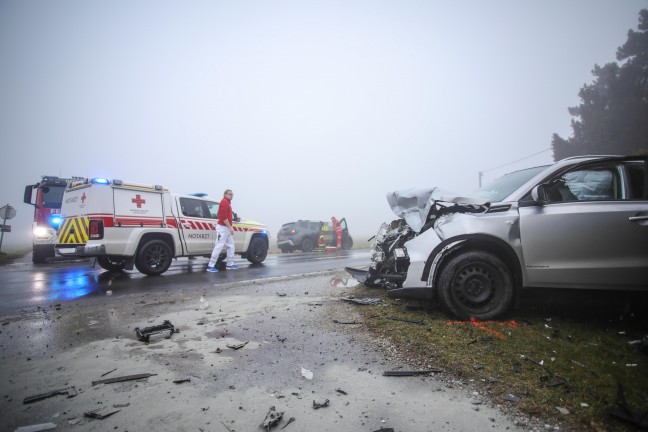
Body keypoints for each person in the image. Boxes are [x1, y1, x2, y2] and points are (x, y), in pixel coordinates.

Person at [206, 189, 239, 272]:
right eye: (230, 194)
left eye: (232, 194)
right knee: (219, 246)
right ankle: (210, 265)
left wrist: (229, 227)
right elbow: (224, 217)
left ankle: (230, 264)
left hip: (226, 228)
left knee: (231, 246)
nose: (231, 195)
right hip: (223, 228)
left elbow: (219, 214)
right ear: (225, 194)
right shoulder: (224, 202)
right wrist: (230, 227)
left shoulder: (227, 203)